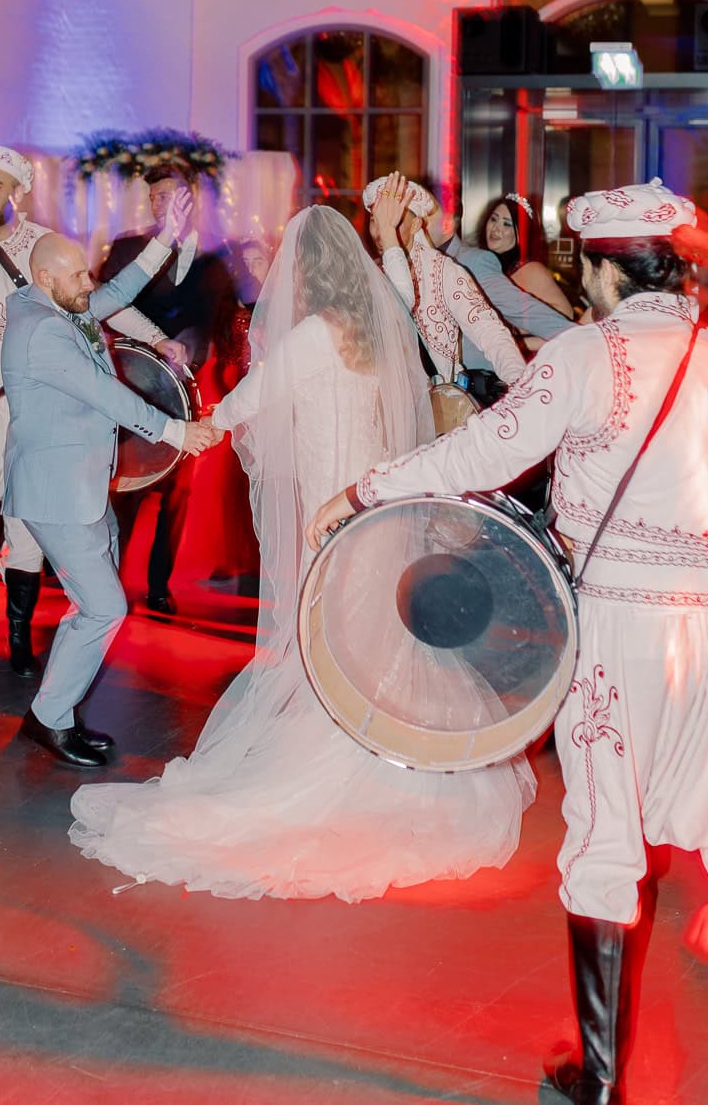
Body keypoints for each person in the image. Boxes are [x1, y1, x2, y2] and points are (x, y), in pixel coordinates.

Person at [309, 178, 708, 1105]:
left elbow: (480, 453)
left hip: (615, 624)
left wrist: (367, 489)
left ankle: (598, 1080)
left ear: (606, 271)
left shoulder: (588, 354)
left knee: (607, 835)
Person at [68, 206, 533, 893]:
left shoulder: (314, 334)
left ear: (307, 271)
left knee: (333, 634)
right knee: (376, 630)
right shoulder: (372, 329)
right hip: (374, 504)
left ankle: (344, 754)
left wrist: (199, 429)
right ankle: (390, 747)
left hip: (329, 509)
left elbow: (254, 397)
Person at [0, 143, 182, 678]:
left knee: (25, 535)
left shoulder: (46, 246)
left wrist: (158, 339)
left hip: (31, 407)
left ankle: (18, 638)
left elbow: (94, 302)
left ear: (18, 192)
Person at [2, 196, 219, 768]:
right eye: (77, 275)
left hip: (83, 486)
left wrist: (165, 239)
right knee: (103, 608)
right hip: (57, 494)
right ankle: (49, 719)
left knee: (89, 605)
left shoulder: (56, 303)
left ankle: (55, 711)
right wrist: (176, 431)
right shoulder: (42, 332)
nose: (88, 282)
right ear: (46, 278)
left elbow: (115, 293)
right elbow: (107, 395)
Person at [99, 163, 235, 613]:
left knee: (177, 496)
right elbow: (105, 308)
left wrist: (193, 350)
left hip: (186, 390)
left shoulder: (216, 257)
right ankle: (110, 583)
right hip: (133, 382)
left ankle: (159, 586)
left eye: (169, 195)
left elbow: (214, 321)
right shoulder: (126, 248)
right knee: (125, 488)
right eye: (154, 196)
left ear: (191, 196)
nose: (160, 204)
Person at [366, 171, 526, 396]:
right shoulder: (369, 273)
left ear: (416, 225)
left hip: (439, 407)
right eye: (375, 221)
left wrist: (521, 389)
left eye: (393, 222)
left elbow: (490, 332)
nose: (380, 232)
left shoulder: (442, 271)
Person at [435, 192, 574, 365]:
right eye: (493, 219)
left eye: (507, 224)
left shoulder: (530, 270)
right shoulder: (478, 262)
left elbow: (563, 322)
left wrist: (519, 343)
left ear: (521, 234)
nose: (496, 229)